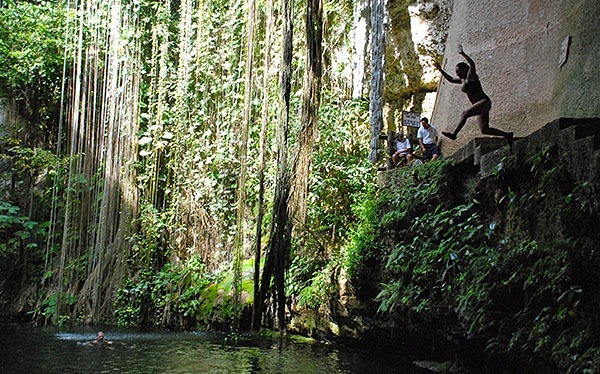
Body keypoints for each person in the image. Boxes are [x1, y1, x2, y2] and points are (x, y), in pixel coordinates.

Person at [434, 44, 513, 146]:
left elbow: (472, 64)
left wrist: (463, 54)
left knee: (464, 113)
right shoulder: (462, 80)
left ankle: (454, 134)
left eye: (458, 72)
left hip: (483, 102)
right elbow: (451, 79)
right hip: (479, 105)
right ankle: (507, 135)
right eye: (456, 72)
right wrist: (441, 70)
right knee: (485, 129)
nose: (457, 74)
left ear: (464, 70)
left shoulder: (471, 76)